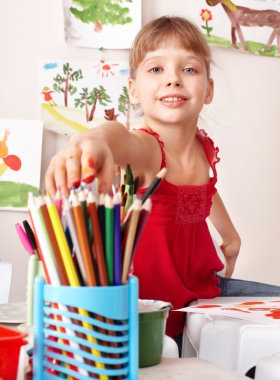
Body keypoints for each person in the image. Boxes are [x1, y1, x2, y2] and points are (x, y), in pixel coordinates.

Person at [45, 16, 280, 356]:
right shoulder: (146, 149)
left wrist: (230, 236)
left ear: (208, 90)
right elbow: (115, 137)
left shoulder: (203, 146)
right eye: (156, 70)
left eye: (189, 70)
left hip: (201, 290)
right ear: (133, 89)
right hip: (149, 304)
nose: (172, 79)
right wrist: (93, 142)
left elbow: (204, 192)